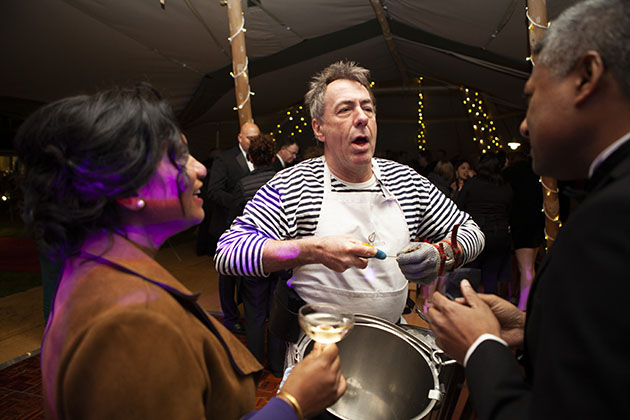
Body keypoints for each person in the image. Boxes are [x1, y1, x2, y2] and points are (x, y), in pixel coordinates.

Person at [15, 86, 345, 420]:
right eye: (178, 156)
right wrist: (292, 402)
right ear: (129, 189)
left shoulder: (93, 270)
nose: (200, 168)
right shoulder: (132, 321)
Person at [427, 1, 630, 418]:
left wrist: (480, 347)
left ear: (586, 78)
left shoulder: (612, 220)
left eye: (533, 96)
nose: (523, 125)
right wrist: (529, 326)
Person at [214, 61, 484, 367]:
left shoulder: (407, 182)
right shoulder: (294, 184)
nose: (361, 118)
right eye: (345, 109)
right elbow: (229, 252)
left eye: (367, 109)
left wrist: (444, 254)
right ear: (319, 128)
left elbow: (472, 231)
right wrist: (310, 250)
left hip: (389, 345)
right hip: (316, 350)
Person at [230, 134, 286, 376]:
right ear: (273, 157)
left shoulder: (242, 185)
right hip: (280, 256)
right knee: (275, 312)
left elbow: (235, 223)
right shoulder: (284, 183)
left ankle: (254, 365)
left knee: (253, 314)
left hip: (253, 258)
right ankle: (276, 364)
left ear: (250, 158)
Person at [208, 122, 260, 334]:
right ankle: (231, 317)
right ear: (240, 138)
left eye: (256, 138)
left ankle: (252, 315)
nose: (253, 142)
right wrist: (240, 202)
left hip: (254, 227)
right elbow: (214, 191)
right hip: (228, 226)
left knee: (249, 273)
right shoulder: (224, 159)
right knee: (228, 277)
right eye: (250, 139)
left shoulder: (264, 158)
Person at [455, 153, 513, 296]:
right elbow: (510, 210)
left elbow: (458, 207)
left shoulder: (472, 184)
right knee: (491, 277)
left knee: (470, 275)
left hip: (475, 234)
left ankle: (469, 310)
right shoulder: (505, 187)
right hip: (498, 235)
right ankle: (489, 312)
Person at [503, 150, 544, 310]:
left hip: (521, 223)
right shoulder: (536, 173)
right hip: (536, 221)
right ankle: (522, 302)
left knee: (525, 267)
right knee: (529, 266)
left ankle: (524, 307)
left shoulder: (511, 174)